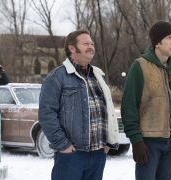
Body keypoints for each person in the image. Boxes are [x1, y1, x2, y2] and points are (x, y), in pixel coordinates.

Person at [38, 30, 119, 180]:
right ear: (72, 48)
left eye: (92, 44)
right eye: (86, 43)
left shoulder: (98, 76)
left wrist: (108, 143)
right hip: (71, 155)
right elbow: (46, 114)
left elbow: (107, 111)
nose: (91, 46)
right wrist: (63, 145)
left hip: (98, 154)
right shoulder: (57, 77)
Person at [121, 21, 171, 180]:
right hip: (148, 144)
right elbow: (129, 107)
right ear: (157, 42)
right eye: (169, 37)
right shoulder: (140, 67)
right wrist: (136, 140)